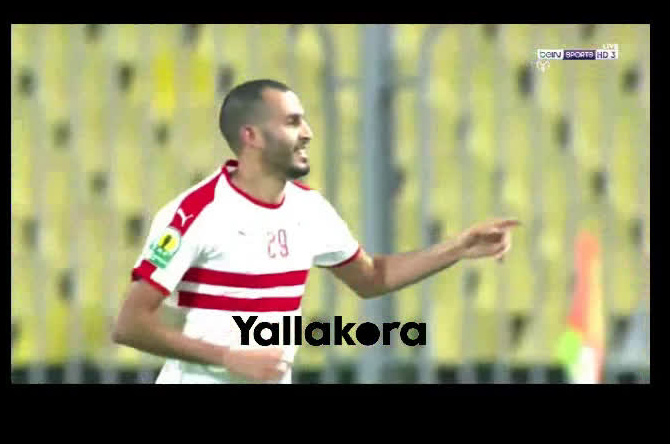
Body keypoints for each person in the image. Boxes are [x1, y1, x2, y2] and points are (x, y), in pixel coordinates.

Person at [112, 79, 520, 384]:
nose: (307, 132)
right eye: (292, 122)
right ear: (251, 136)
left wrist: (457, 248)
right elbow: (130, 325)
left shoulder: (310, 209)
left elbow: (371, 277)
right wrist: (228, 358)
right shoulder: (193, 213)